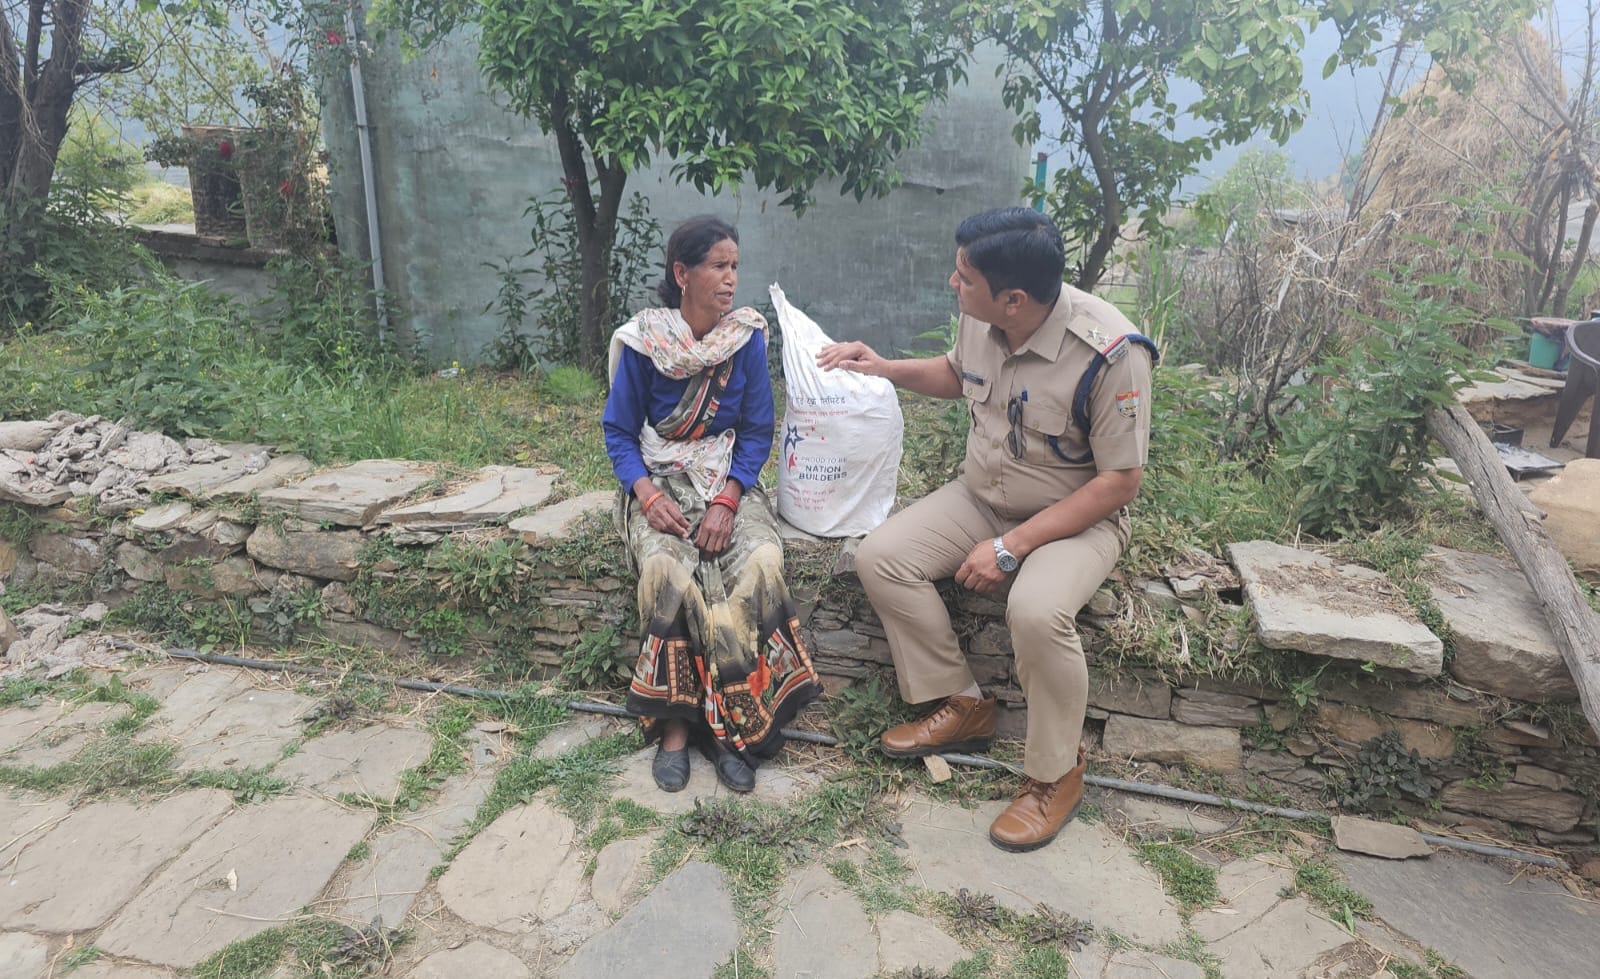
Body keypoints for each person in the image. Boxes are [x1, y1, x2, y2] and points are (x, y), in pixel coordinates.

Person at [816, 207, 1156, 852]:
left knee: (1036, 610)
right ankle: (962, 703)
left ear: (1014, 299)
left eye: (964, 277)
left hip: (1075, 520)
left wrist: (1011, 547)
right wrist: (883, 367)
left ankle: (1054, 777)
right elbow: (957, 374)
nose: (953, 283)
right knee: (881, 557)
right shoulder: (984, 316)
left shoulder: (1111, 353)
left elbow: (1119, 482)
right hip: (983, 495)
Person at [604, 215, 821, 794]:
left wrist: (729, 498)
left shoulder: (743, 341)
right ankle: (676, 728)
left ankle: (734, 728)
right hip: (661, 482)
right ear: (682, 273)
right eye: (719, 266)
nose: (731, 280)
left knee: (760, 563)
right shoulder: (646, 343)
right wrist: (646, 494)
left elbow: (756, 431)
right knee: (665, 569)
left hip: (727, 480)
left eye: (735, 267)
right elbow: (619, 433)